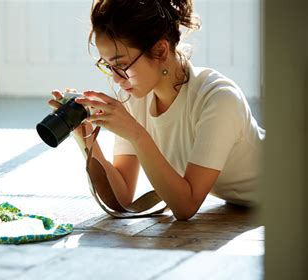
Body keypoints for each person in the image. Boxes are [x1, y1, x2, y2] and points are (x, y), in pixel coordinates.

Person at [48, 0, 265, 220]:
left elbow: (185, 206)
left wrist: (135, 133)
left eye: (121, 64)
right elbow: (122, 198)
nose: (115, 78)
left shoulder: (218, 98)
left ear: (160, 50)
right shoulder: (137, 98)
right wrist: (85, 138)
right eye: (107, 66)